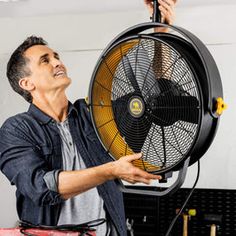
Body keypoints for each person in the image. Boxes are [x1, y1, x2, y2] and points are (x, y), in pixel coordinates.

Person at [0, 0, 177, 235]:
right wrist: (110, 170)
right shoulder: (16, 130)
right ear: (26, 83)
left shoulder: (93, 114)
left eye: (56, 56)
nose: (57, 62)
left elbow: (154, 100)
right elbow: (41, 188)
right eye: (45, 60)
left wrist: (160, 31)